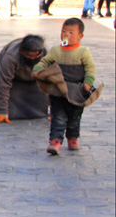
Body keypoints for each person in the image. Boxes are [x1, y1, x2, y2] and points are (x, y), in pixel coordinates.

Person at [32, 18, 98, 155]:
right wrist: (37, 69)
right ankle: (55, 141)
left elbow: (90, 68)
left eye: (71, 32)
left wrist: (88, 82)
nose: (66, 35)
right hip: (58, 91)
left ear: (80, 36)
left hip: (77, 91)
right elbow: (45, 61)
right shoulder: (56, 51)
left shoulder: (83, 52)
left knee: (74, 117)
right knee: (58, 117)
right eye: (63, 31)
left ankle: (73, 138)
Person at [0, 34, 48, 123]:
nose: (32, 58)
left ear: (41, 52)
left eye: (35, 55)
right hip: (13, 76)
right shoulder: (10, 57)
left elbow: (53, 84)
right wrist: (1, 112)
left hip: (36, 75)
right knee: (12, 114)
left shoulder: (48, 56)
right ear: (21, 51)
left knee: (39, 113)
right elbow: (3, 84)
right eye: (28, 55)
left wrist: (56, 112)